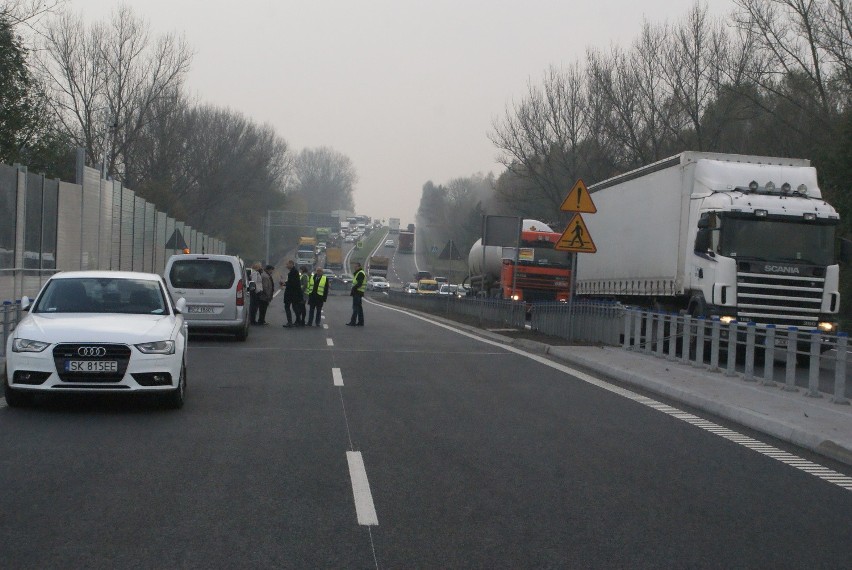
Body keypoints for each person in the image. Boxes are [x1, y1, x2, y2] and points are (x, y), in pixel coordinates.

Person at [281, 260, 302, 328]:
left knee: (288, 307)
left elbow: (293, 283)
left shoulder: (293, 272)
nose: (286, 266)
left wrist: (285, 283)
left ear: (291, 264)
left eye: (287, 264)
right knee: (294, 307)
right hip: (293, 293)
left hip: (292, 293)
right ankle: (297, 321)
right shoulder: (294, 271)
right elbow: (292, 282)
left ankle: (290, 322)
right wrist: (286, 283)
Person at [346, 262, 366, 326]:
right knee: (359, 308)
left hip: (357, 292)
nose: (354, 268)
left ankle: (353, 321)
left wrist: (354, 288)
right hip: (358, 292)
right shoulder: (359, 273)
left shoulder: (360, 273)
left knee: (355, 307)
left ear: (359, 267)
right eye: (354, 267)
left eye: (356, 266)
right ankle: (361, 322)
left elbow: (359, 283)